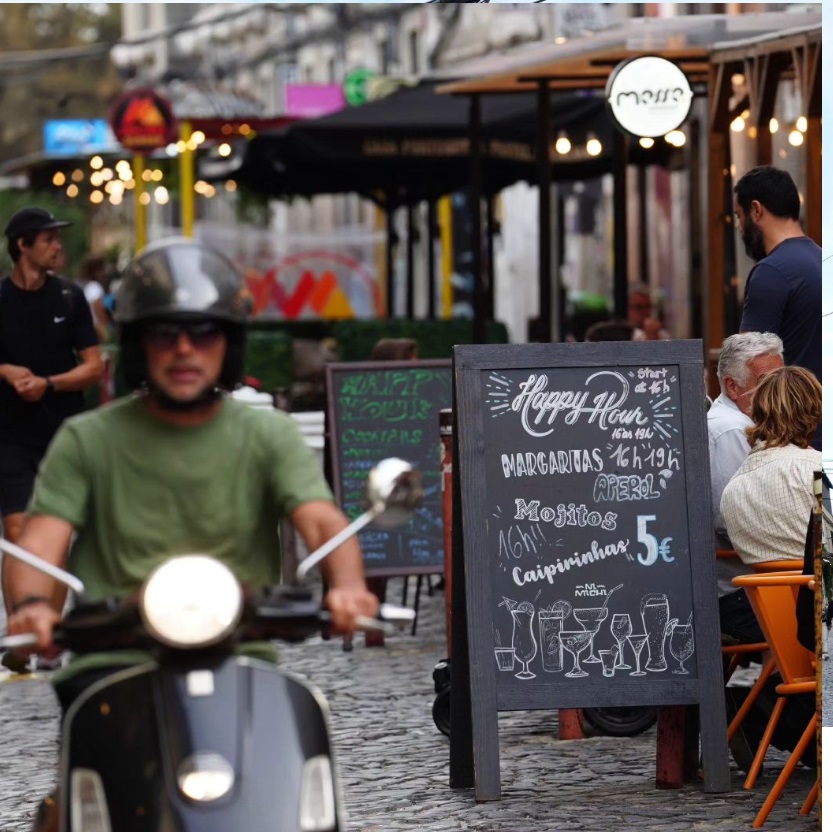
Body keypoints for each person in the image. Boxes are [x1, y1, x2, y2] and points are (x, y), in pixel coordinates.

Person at [4, 238, 379, 699]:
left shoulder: (268, 435)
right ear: (139, 345)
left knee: (303, 752)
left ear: (229, 344)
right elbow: (41, 544)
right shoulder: (87, 439)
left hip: (240, 657)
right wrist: (35, 606)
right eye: (164, 334)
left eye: (203, 333)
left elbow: (322, 521)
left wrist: (347, 586)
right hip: (113, 665)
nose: (184, 349)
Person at [0, 207, 102, 561]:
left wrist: (48, 383)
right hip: (9, 436)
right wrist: (4, 371)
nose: (58, 247)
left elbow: (93, 368)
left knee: (55, 540)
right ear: (23, 245)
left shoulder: (70, 298)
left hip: (62, 435)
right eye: (49, 240)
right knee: (17, 534)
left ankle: (50, 618)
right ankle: (19, 617)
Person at [734, 166, 821, 449]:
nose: (739, 226)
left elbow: (747, 365)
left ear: (756, 211)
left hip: (798, 441)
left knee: (811, 495)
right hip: (821, 434)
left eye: (739, 216)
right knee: (824, 495)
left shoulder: (772, 272)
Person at [708, 333, 784, 642]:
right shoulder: (731, 430)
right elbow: (730, 520)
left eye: (783, 378)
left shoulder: (744, 423)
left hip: (760, 582)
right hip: (742, 591)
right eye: (768, 381)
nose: (781, 390)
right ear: (733, 386)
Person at [721, 366, 822, 566]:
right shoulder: (818, 469)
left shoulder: (731, 492)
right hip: (820, 591)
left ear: (756, 412)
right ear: (813, 413)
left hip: (769, 597)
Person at [77, 253, 114, 343]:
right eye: (102, 269)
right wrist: (107, 335)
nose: (104, 272)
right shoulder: (95, 288)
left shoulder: (87, 287)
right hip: (97, 333)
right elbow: (99, 314)